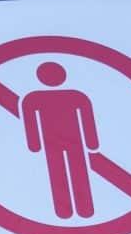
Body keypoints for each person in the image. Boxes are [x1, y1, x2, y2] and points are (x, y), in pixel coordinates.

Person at [22, 60, 99, 220]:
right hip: (54, 143)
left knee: (75, 173)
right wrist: (34, 144)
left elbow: (87, 118)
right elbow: (31, 123)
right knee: (59, 174)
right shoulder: (34, 98)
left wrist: (92, 143)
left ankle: (84, 209)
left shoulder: (75, 96)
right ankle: (65, 210)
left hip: (73, 142)